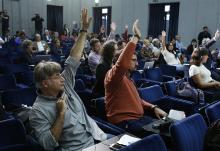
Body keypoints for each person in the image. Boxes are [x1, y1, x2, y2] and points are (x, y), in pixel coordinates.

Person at [29, 9, 107, 151]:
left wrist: (83, 30)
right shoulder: (37, 111)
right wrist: (61, 114)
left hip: (98, 137)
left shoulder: (66, 84)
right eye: (57, 76)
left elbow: (73, 59)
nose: (62, 78)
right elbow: (48, 144)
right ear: (45, 83)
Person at [104, 20, 167, 137]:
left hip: (139, 118)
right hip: (125, 122)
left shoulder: (129, 78)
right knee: (161, 135)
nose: (137, 64)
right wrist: (136, 37)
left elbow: (137, 100)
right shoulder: (112, 76)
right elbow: (122, 64)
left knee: (169, 127)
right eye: (133, 60)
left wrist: (153, 107)